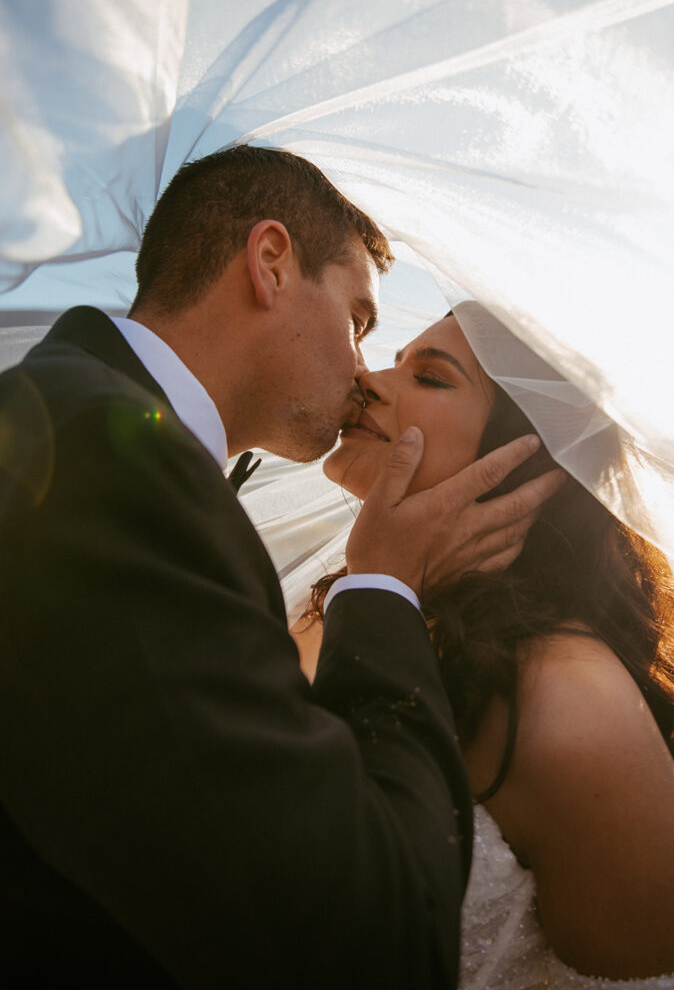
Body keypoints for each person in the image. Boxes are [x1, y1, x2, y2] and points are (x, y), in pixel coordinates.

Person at [0, 147, 562, 989]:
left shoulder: (76, 416)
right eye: (359, 321)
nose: (364, 376)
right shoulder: (111, 465)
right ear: (270, 265)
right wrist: (383, 585)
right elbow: (374, 942)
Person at [297, 310, 674, 987]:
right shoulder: (344, 606)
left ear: (524, 458)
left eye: (429, 377)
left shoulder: (569, 706)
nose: (366, 379)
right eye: (395, 358)